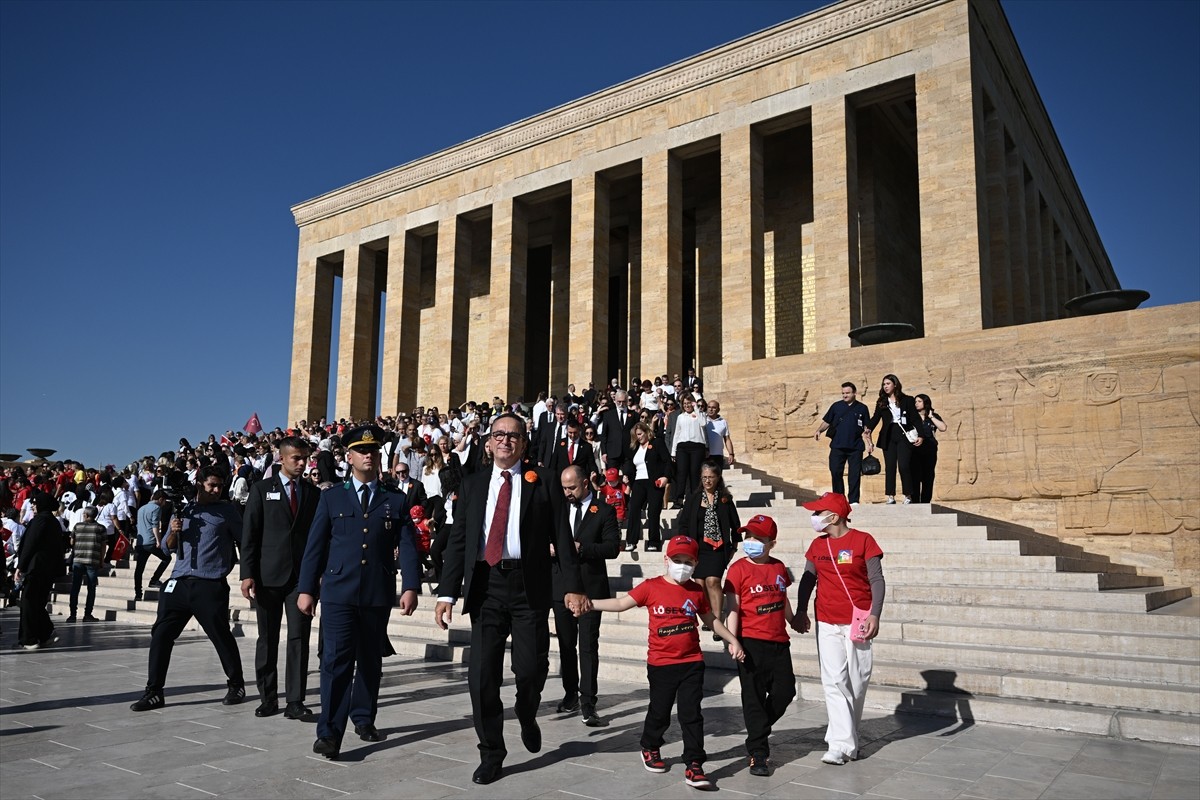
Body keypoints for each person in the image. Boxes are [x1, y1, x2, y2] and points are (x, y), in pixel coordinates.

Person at [434, 412, 589, 786]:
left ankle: (525, 709)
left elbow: (563, 539)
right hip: (486, 586)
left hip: (528, 587)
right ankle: (491, 751)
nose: (505, 441)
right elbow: (459, 542)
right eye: (499, 434)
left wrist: (572, 585)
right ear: (488, 442)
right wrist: (446, 592)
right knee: (482, 677)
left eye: (513, 435)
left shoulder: (544, 481)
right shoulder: (472, 485)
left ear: (524, 442)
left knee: (531, 669)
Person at [298, 424, 420, 760]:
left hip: (377, 592)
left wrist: (410, 585)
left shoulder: (394, 498)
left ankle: (364, 718)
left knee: (369, 660)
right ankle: (329, 733)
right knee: (336, 662)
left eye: (374, 450)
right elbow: (315, 547)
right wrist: (306, 588)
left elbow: (407, 545)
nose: (369, 455)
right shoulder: (332, 496)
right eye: (361, 450)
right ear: (348, 457)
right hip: (338, 592)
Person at [591, 535, 745, 790]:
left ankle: (695, 764)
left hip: (692, 662)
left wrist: (733, 640)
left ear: (696, 564)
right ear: (666, 560)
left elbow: (710, 620)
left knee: (691, 714)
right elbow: (620, 603)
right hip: (661, 663)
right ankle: (650, 745)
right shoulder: (651, 587)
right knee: (660, 712)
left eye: (688, 561)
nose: (682, 565)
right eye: (677, 560)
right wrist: (589, 604)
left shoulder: (696, 591)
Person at [130, 467, 245, 710]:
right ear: (199, 484)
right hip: (178, 582)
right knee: (161, 635)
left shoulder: (227, 511)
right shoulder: (184, 510)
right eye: (212, 485)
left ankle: (236, 684)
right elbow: (166, 548)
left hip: (210, 583)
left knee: (220, 636)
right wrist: (173, 530)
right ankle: (154, 692)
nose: (217, 490)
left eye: (220, 486)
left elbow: (245, 542)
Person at [791, 492, 886, 765]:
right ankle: (839, 745)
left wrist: (875, 615)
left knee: (857, 680)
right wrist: (801, 611)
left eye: (818, 513)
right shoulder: (816, 546)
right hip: (827, 620)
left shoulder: (863, 540)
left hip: (858, 620)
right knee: (833, 681)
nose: (814, 517)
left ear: (833, 516)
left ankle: (848, 737)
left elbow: (877, 580)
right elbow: (808, 581)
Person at [240, 436, 321, 721]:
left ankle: (295, 700)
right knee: (268, 639)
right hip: (267, 576)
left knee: (299, 638)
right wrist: (247, 573)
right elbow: (249, 534)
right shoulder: (262, 489)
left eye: (304, 458)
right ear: (282, 459)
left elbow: (318, 538)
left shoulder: (312, 493)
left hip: (301, 579)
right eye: (296, 458)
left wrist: (317, 577)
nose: (301, 463)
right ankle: (268, 698)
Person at [723, 514, 795, 776]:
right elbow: (733, 609)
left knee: (786, 691)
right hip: (751, 643)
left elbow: (783, 599)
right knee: (753, 699)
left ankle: (757, 731)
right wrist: (733, 641)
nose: (750, 541)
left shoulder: (778, 567)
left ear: (771, 543)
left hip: (779, 642)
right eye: (748, 536)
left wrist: (794, 619)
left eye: (757, 538)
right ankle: (759, 753)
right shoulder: (738, 569)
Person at [552, 465, 619, 727]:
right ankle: (570, 695)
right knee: (566, 645)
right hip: (561, 588)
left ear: (585, 484)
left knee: (588, 646)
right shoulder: (557, 509)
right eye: (564, 488)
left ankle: (588, 701)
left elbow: (613, 547)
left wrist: (583, 548)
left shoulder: (603, 511)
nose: (567, 492)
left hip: (591, 589)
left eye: (572, 487)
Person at [677, 459, 740, 635]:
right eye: (704, 477)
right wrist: (684, 544)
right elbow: (683, 523)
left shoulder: (725, 499)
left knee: (713, 581)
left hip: (718, 549)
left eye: (711, 477)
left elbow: (735, 524)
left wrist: (734, 546)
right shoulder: (693, 498)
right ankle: (707, 616)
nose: (707, 481)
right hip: (698, 549)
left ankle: (717, 619)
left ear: (718, 478)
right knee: (700, 583)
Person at [16, 493, 64, 649]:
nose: (32, 506)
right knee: (37, 602)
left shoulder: (40, 521)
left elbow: (30, 544)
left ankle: (29, 639)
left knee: (28, 601)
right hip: (47, 569)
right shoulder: (54, 522)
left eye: (35, 503)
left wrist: (20, 566)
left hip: (35, 568)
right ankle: (45, 634)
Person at [813, 383, 874, 504]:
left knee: (854, 474)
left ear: (854, 393)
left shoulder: (862, 408)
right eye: (843, 393)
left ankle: (854, 500)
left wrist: (870, 443)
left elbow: (867, 428)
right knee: (835, 471)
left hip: (855, 447)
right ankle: (839, 499)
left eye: (847, 393)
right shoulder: (836, 406)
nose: (845, 395)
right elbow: (827, 421)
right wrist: (819, 430)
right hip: (837, 446)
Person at [866, 374, 922, 504]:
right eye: (884, 384)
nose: (885, 386)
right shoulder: (882, 401)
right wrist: (868, 428)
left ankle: (908, 495)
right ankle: (890, 495)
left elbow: (915, 418)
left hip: (903, 434)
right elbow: (876, 417)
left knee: (903, 465)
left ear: (895, 384)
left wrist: (921, 435)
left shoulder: (907, 400)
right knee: (890, 466)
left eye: (888, 384)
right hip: (888, 435)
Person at [622, 422, 670, 553]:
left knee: (653, 511)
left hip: (654, 481)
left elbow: (667, 461)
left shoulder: (657, 443)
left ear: (646, 431)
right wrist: (626, 475)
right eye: (636, 435)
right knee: (634, 509)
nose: (638, 437)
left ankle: (653, 541)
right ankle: (631, 541)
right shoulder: (635, 447)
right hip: (638, 482)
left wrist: (666, 477)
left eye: (640, 434)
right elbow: (630, 465)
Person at [67, 506, 107, 623]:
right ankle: (88, 614)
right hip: (92, 560)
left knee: (75, 588)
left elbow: (71, 541)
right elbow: (104, 546)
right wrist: (101, 560)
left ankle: (72, 615)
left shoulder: (78, 526)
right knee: (91, 588)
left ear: (87, 515)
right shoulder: (100, 528)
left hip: (78, 560)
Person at [669, 393, 707, 508]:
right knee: (681, 473)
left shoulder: (700, 414)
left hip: (697, 446)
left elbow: (703, 424)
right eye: (684, 404)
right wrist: (673, 451)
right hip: (682, 447)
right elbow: (676, 434)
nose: (686, 405)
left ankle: (695, 499)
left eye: (688, 403)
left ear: (693, 403)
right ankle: (679, 499)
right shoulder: (681, 416)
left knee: (695, 473)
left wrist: (696, 408)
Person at [133, 490, 171, 601]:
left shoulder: (141, 508)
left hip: (141, 542)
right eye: (164, 501)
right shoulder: (156, 508)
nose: (164, 504)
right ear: (161, 499)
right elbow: (155, 526)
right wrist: (158, 541)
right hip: (150, 541)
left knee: (139, 569)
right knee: (166, 558)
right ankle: (154, 580)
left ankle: (138, 593)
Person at [911, 394, 947, 503]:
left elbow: (943, 427)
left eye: (919, 401)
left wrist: (931, 417)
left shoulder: (933, 416)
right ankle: (915, 500)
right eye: (915, 401)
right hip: (915, 449)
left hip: (929, 449)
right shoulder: (912, 416)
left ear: (925, 403)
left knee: (928, 475)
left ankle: (926, 501)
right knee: (915, 475)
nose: (916, 403)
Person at [704, 400, 736, 469]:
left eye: (713, 407)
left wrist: (731, 454)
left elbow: (727, 439)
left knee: (717, 477)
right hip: (704, 454)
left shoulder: (723, 422)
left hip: (718, 455)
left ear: (718, 410)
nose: (711, 409)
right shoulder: (703, 420)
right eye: (709, 407)